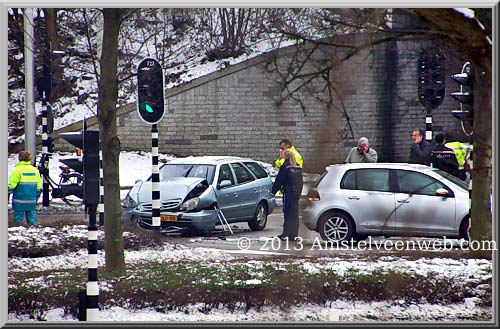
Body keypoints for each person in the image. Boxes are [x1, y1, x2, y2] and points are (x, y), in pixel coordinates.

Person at [272, 150, 303, 240]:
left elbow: (279, 180)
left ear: (286, 157)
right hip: (296, 193)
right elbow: (300, 182)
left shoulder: (285, 167)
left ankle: (286, 233)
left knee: (287, 212)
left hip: (288, 192)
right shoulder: (297, 167)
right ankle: (294, 233)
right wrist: (299, 192)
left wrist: (273, 191)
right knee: (295, 213)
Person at [8, 150, 42, 226]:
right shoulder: (35, 170)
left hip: (19, 200)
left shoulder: (17, 170)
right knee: (32, 218)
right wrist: (37, 196)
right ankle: (33, 231)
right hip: (31, 199)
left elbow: (12, 185)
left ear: (19, 158)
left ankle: (18, 231)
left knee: (18, 220)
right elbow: (39, 186)